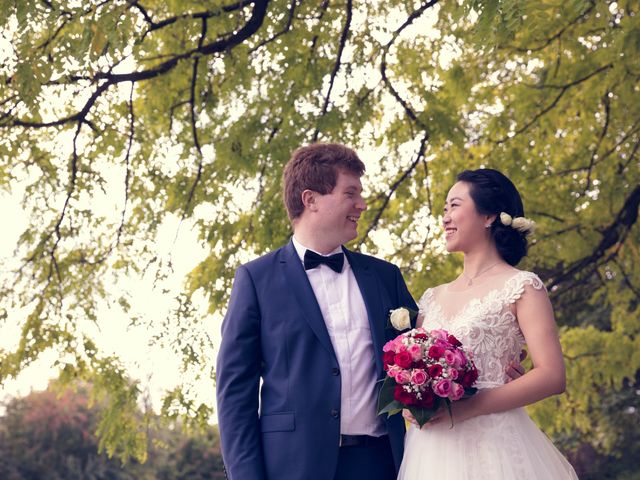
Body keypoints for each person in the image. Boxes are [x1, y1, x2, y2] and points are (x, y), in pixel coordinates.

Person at [215, 143, 419, 480]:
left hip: (382, 464)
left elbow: (427, 355)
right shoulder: (255, 279)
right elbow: (235, 395)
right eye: (350, 193)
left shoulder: (385, 277)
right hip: (292, 468)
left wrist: (494, 369)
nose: (362, 204)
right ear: (310, 199)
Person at [398, 168, 578, 479]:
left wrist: (467, 408)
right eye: (444, 209)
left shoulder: (522, 286)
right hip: (430, 453)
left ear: (488, 217)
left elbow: (552, 375)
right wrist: (411, 400)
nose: (445, 217)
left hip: (494, 449)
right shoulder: (431, 297)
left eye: (454, 205)